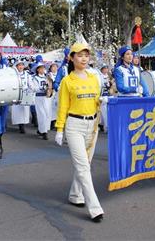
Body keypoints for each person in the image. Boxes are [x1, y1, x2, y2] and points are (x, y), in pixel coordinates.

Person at [55, 43, 104, 223]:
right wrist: (60, 129)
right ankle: (95, 207)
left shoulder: (93, 78)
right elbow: (63, 107)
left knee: (85, 163)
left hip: (92, 125)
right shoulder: (67, 81)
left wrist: (102, 101)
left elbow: (95, 100)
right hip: (74, 125)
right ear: (72, 58)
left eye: (86, 55)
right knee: (83, 167)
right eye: (80, 55)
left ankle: (76, 195)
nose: (84, 58)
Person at [11, 59, 31, 134]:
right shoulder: (13, 74)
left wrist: (32, 89)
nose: (21, 67)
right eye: (19, 65)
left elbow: (30, 83)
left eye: (22, 65)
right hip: (17, 93)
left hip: (25, 93)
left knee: (24, 110)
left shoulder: (27, 74)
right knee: (17, 110)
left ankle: (23, 124)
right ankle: (20, 125)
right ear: (16, 66)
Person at [31, 62, 51, 140]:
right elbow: (33, 88)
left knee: (47, 114)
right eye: (41, 68)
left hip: (46, 97)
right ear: (37, 69)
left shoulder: (47, 77)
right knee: (41, 114)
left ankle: (41, 130)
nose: (42, 69)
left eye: (43, 68)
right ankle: (44, 132)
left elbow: (50, 85)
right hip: (39, 97)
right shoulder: (34, 78)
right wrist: (42, 89)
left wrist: (49, 89)